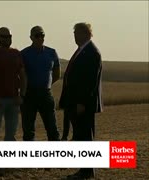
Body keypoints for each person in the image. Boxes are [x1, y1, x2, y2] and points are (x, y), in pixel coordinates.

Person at [59, 22, 103, 179]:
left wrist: (82, 103)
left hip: (82, 104)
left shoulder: (92, 53)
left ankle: (87, 170)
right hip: (74, 102)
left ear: (86, 34)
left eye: (77, 33)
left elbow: (90, 82)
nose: (75, 36)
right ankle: (84, 169)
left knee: (85, 136)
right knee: (80, 134)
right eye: (74, 33)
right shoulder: (82, 51)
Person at [0, 27, 27, 141]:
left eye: (9, 36)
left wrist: (21, 95)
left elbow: (23, 76)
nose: (7, 39)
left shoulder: (16, 53)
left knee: (11, 135)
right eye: (4, 36)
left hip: (13, 100)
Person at [20, 26, 60, 141]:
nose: (40, 38)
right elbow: (20, 75)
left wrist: (46, 85)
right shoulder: (24, 54)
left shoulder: (51, 53)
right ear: (31, 37)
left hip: (45, 94)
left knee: (52, 129)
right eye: (37, 36)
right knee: (28, 131)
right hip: (29, 95)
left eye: (42, 35)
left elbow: (57, 73)